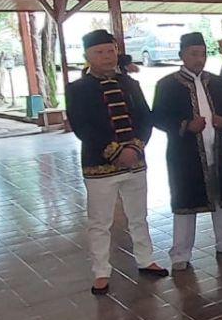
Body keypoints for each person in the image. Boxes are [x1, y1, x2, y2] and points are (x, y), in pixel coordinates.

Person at [65, 30, 168, 295]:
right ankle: (101, 271)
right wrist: (115, 152)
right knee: (100, 221)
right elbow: (82, 127)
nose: (107, 57)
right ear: (88, 56)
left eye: (110, 51)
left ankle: (145, 259)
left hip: (135, 162)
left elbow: (145, 118)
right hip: (100, 166)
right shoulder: (77, 89)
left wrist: (135, 147)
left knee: (139, 216)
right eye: (100, 52)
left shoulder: (130, 84)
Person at [152, 32, 222, 273]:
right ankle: (180, 253)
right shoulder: (168, 85)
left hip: (217, 148)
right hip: (185, 154)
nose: (199, 59)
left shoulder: (217, 83)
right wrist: (185, 125)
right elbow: (159, 118)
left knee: (221, 199)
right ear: (182, 55)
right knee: (185, 202)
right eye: (193, 54)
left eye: (202, 54)